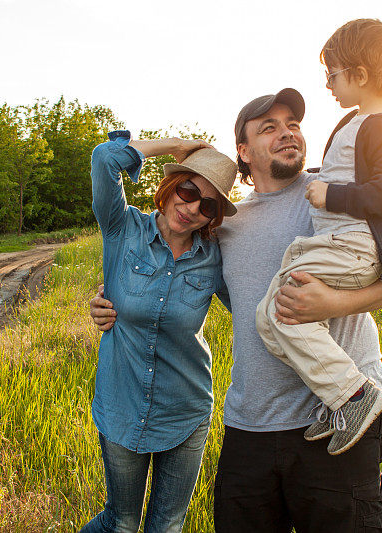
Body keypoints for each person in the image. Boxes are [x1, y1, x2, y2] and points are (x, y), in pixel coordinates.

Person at [92, 89, 382, 532]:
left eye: (293, 125)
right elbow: (174, 273)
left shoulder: (335, 196)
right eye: (269, 127)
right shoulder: (223, 226)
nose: (287, 134)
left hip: (336, 417)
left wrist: (335, 303)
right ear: (243, 151)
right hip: (250, 427)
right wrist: (114, 300)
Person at [254, 18, 382, 456]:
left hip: (353, 247)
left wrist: (332, 194)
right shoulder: (353, 122)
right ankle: (338, 397)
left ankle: (356, 396)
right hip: (333, 245)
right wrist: (321, 180)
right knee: (269, 321)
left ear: (359, 75)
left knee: (282, 314)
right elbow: (346, 172)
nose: (328, 84)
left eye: (332, 74)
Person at [79, 130, 237, 533]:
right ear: (169, 187)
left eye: (208, 204)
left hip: (186, 409)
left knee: (166, 526)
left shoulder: (215, 256)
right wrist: (173, 145)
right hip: (122, 404)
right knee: (122, 522)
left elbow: (251, 302)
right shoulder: (123, 228)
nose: (192, 208)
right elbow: (103, 159)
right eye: (187, 189)